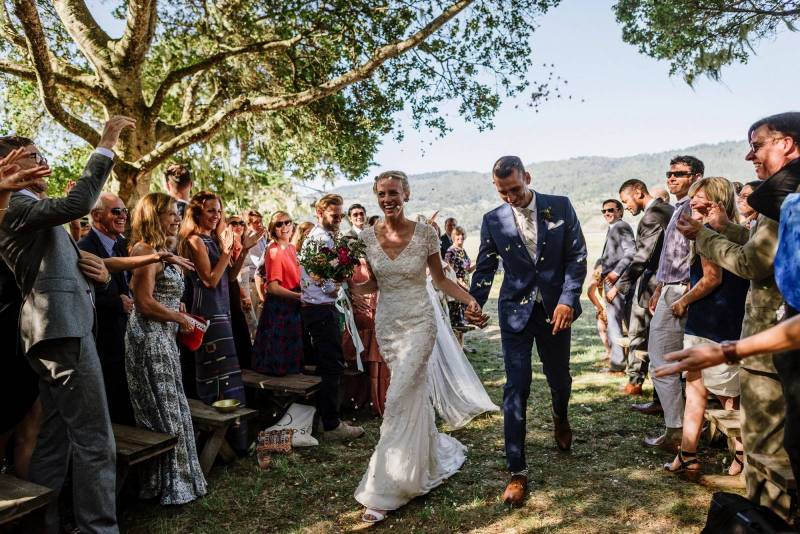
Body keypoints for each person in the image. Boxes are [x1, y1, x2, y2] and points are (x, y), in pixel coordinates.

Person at [0, 116, 135, 533]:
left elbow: (55, 265)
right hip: (62, 332)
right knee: (96, 441)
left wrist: (97, 271)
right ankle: (99, 529)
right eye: (33, 158)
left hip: (53, 333)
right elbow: (78, 205)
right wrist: (106, 142)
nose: (43, 165)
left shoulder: (28, 209)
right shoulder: (14, 205)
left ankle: (44, 526)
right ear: (9, 167)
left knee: (53, 441)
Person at [673, 117, 792, 514]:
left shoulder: (787, 199)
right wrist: (726, 229)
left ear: (788, 145)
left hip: (774, 340)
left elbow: (754, 264)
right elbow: (766, 250)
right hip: (772, 338)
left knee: (768, 456)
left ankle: (766, 517)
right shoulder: (781, 200)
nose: (748, 154)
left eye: (756, 145)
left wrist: (705, 236)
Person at [352, 171, 485, 523]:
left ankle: (384, 490)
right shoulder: (366, 237)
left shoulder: (426, 233)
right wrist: (343, 283)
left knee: (396, 397)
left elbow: (440, 280)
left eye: (393, 192)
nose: (387, 199)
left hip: (420, 323)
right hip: (388, 325)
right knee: (409, 393)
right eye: (381, 193)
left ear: (406, 194)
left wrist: (471, 301)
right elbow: (372, 286)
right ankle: (423, 458)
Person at [470, 155, 588, 506]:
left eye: (515, 189)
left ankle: (560, 416)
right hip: (515, 314)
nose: (510, 197)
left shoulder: (560, 207)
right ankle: (517, 471)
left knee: (559, 380)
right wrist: (474, 301)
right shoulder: (492, 220)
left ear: (528, 178)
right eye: (502, 191)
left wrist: (567, 299)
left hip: (556, 312)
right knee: (515, 388)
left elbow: (577, 256)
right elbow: (486, 266)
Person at [663, 177, 748, 478]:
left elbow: (712, 278)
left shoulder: (708, 233)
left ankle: (739, 457)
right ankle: (689, 455)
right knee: (700, 388)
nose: (693, 199)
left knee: (725, 396)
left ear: (716, 200)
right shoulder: (738, 233)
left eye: (699, 195)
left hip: (714, 321)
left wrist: (683, 301)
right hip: (722, 318)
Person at [125, 192, 207, 505]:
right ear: (152, 216)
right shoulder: (143, 249)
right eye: (170, 214)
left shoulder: (163, 250)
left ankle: (183, 479)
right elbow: (144, 303)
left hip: (166, 336)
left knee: (174, 405)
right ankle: (167, 484)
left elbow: (162, 295)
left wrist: (178, 307)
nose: (176, 219)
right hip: (149, 338)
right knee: (163, 410)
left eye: (177, 213)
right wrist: (178, 316)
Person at [179, 191, 263, 453]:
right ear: (197, 213)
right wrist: (227, 250)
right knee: (216, 376)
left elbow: (229, 276)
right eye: (210, 211)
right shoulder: (194, 241)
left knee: (231, 375)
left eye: (218, 211)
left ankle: (238, 439)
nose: (216, 216)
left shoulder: (213, 239)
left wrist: (244, 248)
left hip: (224, 312)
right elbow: (210, 280)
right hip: (208, 315)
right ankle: (216, 440)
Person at [640, 155, 702, 452]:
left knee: (663, 362)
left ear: (697, 176)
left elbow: (697, 254)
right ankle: (678, 427)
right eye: (669, 173)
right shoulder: (679, 208)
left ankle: (676, 430)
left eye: (679, 173)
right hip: (669, 288)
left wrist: (684, 292)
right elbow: (672, 257)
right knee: (668, 361)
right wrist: (659, 288)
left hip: (682, 292)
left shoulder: (695, 207)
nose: (672, 178)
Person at [299, 194, 365, 440]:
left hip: (322, 308)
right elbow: (323, 283)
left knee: (332, 363)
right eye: (333, 216)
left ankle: (329, 419)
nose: (338, 220)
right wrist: (338, 280)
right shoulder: (319, 240)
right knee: (332, 365)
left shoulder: (326, 237)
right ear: (319, 212)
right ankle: (331, 424)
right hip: (319, 309)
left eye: (340, 216)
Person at [608, 179, 674, 398]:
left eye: (626, 200)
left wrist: (619, 287)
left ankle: (637, 383)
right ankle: (655, 391)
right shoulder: (669, 209)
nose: (626, 206)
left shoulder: (653, 214)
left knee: (641, 334)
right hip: (664, 282)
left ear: (638, 192)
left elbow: (642, 256)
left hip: (653, 284)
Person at [77, 193, 136, 425]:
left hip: (126, 330)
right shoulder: (84, 247)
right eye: (116, 212)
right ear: (96, 215)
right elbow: (83, 294)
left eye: (124, 211)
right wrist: (115, 302)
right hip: (103, 336)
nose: (122, 216)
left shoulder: (122, 244)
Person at [252, 211, 303, 376]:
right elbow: (273, 287)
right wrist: (300, 297)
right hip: (280, 308)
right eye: (279, 224)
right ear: (273, 229)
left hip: (292, 305)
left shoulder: (291, 248)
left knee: (290, 366)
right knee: (277, 366)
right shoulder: (274, 251)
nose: (285, 226)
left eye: (287, 222)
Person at [595, 198, 635, 373]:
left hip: (617, 283)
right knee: (625, 323)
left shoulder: (621, 226)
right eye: (604, 211)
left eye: (610, 210)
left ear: (620, 211)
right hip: (615, 282)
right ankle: (631, 365)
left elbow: (631, 252)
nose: (607, 214)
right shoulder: (614, 228)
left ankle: (618, 365)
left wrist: (615, 273)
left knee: (614, 323)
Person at [226, 214, 254, 370]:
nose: (238, 226)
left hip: (244, 285)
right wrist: (244, 296)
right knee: (242, 325)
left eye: (241, 223)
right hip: (235, 289)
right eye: (233, 223)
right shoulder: (227, 245)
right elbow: (233, 275)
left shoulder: (242, 243)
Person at [239, 210, 267, 335]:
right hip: (250, 283)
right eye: (256, 222)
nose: (260, 224)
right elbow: (259, 262)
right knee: (253, 322)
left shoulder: (261, 237)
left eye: (260, 221)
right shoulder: (250, 237)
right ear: (248, 224)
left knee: (260, 320)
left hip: (260, 281)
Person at [444, 225, 475, 330]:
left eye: (462, 234)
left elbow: (467, 270)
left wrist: (479, 263)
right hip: (456, 289)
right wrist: (462, 286)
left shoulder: (463, 251)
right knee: (457, 324)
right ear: (453, 237)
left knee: (463, 324)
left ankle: (461, 346)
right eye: (458, 234)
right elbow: (449, 274)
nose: (460, 237)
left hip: (466, 286)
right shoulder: (450, 252)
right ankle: (457, 346)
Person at [587, 267, 612, 360]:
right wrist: (600, 308)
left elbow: (590, 292)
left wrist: (599, 307)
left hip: (607, 308)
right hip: (607, 308)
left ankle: (609, 351)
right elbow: (590, 292)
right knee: (602, 326)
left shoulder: (598, 277)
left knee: (603, 328)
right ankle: (610, 351)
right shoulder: (601, 277)